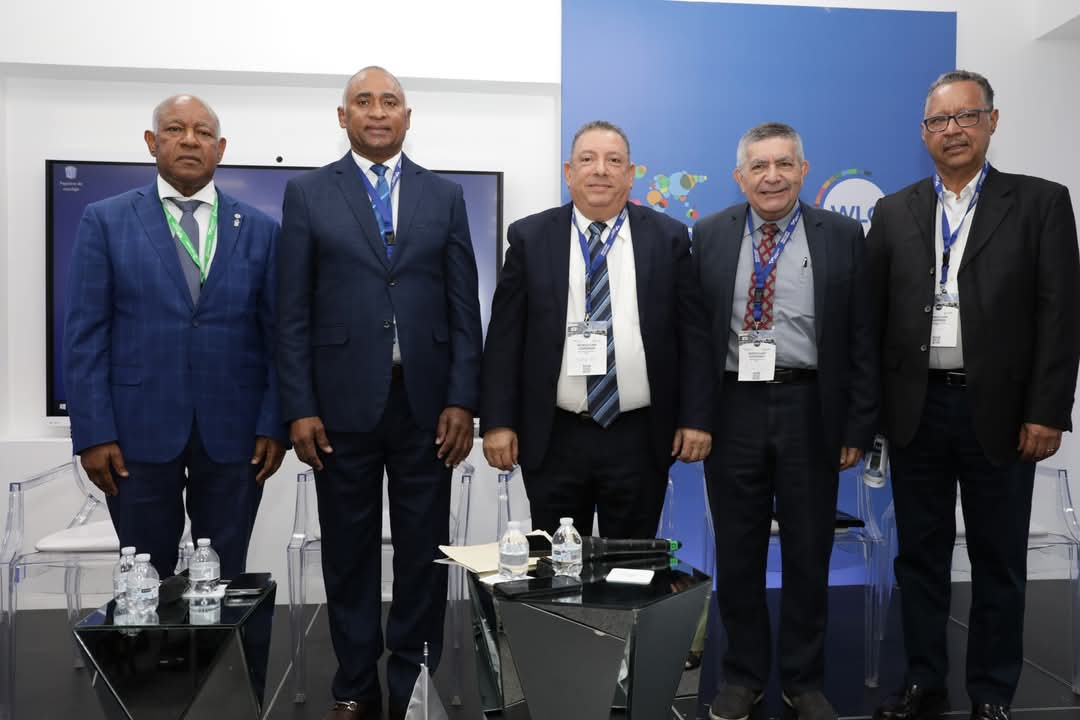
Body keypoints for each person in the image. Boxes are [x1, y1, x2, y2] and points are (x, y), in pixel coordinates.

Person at [868, 70, 1080, 720]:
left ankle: (991, 693)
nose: (953, 130)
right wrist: (873, 415)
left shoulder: (1040, 203)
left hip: (1003, 415)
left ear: (992, 121)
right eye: (940, 120)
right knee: (919, 558)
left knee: (998, 560)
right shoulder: (894, 211)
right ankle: (923, 683)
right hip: (916, 412)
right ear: (923, 133)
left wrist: (1047, 411)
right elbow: (871, 320)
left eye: (966, 116)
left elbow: (1060, 316)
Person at [276, 66, 482, 720]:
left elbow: (463, 307)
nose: (376, 111)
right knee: (348, 555)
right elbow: (291, 311)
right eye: (362, 101)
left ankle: (413, 685)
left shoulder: (445, 195)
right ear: (343, 117)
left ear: (406, 116)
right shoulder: (308, 193)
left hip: (427, 409)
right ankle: (354, 687)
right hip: (339, 409)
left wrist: (463, 399)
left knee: (423, 556)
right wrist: (299, 406)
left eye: (388, 101)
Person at [693, 122, 877, 720]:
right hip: (733, 408)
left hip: (810, 407)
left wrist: (857, 426)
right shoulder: (709, 234)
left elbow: (863, 336)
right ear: (739, 176)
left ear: (803, 170)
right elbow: (692, 336)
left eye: (783, 164)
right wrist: (695, 416)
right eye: (759, 166)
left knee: (807, 550)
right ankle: (742, 676)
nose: (771, 177)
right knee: (738, 550)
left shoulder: (842, 235)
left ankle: (804, 680)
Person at [63, 94, 286, 581]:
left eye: (203, 132)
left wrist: (274, 422)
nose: (190, 140)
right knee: (144, 580)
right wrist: (93, 433)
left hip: (236, 436)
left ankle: (218, 637)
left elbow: (277, 337)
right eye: (174, 129)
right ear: (151, 141)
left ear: (220, 148)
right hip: (134, 434)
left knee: (224, 577)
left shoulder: (262, 229)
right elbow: (85, 337)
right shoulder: (106, 220)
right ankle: (150, 636)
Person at [480, 120, 713, 540]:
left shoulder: (669, 238)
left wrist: (695, 418)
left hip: (638, 436)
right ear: (569, 173)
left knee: (632, 565)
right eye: (587, 159)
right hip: (554, 436)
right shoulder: (530, 238)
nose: (601, 170)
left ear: (630, 173)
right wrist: (497, 422)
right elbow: (504, 340)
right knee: (557, 566)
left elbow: (694, 336)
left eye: (614, 160)